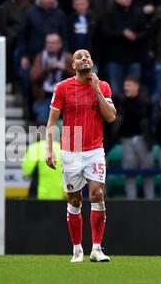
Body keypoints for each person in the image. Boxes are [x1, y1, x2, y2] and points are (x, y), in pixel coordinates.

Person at [46, 49, 117, 263]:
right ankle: (77, 249)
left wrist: (96, 89)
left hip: (95, 149)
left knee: (96, 194)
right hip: (71, 150)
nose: (84, 58)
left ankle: (96, 249)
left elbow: (111, 116)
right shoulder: (63, 88)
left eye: (87, 56)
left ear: (92, 62)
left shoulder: (102, 86)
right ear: (73, 66)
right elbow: (51, 122)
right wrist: (49, 149)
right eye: (79, 56)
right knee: (75, 199)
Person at [113, 75, 154, 199]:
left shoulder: (145, 101)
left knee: (148, 171)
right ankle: (131, 199)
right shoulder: (121, 100)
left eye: (129, 85)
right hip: (126, 140)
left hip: (142, 139)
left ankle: (150, 199)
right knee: (129, 172)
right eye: (125, 85)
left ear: (136, 86)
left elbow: (150, 121)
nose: (126, 88)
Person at [98, 0, 147, 94]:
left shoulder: (138, 12)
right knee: (116, 91)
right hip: (115, 59)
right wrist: (122, 33)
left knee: (134, 90)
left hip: (134, 58)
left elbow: (145, 32)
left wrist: (136, 36)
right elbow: (105, 33)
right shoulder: (109, 13)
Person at [30, 33, 74, 123]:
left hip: (65, 98)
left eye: (53, 43)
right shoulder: (41, 57)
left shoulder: (68, 58)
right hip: (45, 96)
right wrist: (46, 69)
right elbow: (33, 77)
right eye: (48, 43)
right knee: (41, 122)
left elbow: (80, 78)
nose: (50, 45)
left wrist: (65, 69)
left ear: (60, 44)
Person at [22, 125, 64, 200]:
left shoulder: (35, 147)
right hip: (58, 194)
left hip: (38, 194)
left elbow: (27, 170)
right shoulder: (60, 148)